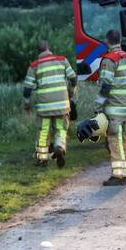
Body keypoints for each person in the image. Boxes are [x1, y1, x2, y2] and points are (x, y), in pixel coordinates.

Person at [22, 40, 77, 168]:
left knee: (44, 131)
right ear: (49, 48)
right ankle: (59, 146)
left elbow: (27, 90)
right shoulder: (62, 60)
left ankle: (42, 159)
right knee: (61, 129)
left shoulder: (34, 65)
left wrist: (27, 104)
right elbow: (73, 78)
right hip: (62, 106)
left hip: (44, 108)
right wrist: (71, 93)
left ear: (38, 52)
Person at [94, 30, 126, 186]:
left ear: (107, 41)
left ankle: (118, 175)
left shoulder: (109, 60)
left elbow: (106, 85)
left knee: (114, 139)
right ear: (119, 40)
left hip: (113, 108)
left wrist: (98, 105)